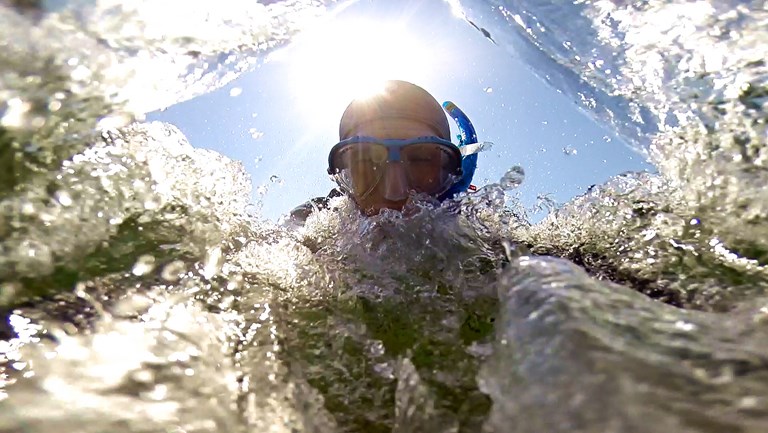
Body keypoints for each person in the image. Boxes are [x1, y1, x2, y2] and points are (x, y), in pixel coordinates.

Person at [289, 80, 479, 222]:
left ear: (448, 175)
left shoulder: (479, 228)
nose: (394, 193)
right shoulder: (313, 220)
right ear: (342, 177)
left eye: (420, 160)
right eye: (366, 161)